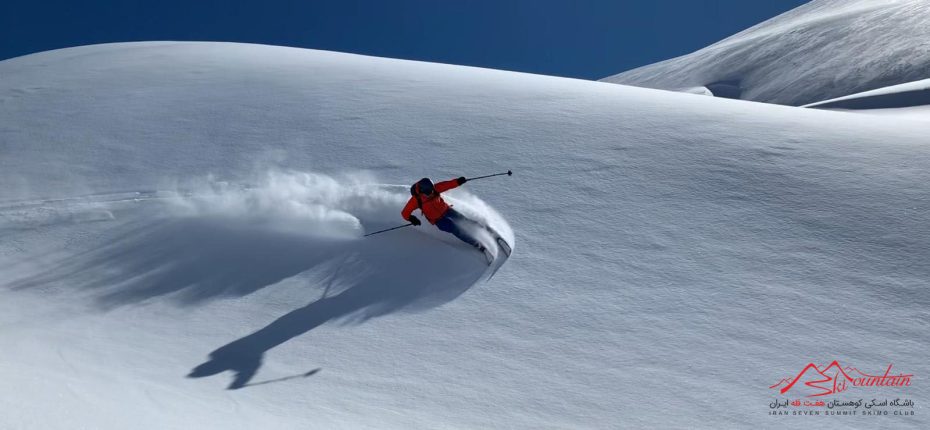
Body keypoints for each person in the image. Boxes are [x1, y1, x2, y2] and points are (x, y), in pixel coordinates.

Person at [402, 176, 486, 252]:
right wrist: (412, 219)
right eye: (428, 193)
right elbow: (405, 213)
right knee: (455, 228)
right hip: (437, 220)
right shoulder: (416, 200)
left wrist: (458, 181)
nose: (431, 193)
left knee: (462, 219)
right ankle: (477, 244)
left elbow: (448, 185)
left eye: (431, 191)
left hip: (446, 210)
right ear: (421, 191)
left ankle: (484, 229)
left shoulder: (435, 189)